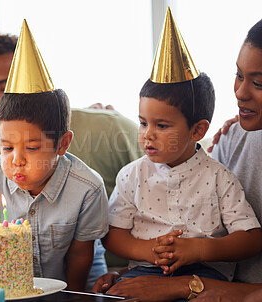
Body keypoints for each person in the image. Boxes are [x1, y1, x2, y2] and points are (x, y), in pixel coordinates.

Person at [94, 16, 262, 302]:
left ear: (198, 130)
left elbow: (250, 237)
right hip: (145, 270)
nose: (240, 93)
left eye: (258, 82)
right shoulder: (132, 175)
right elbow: (113, 234)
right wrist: (144, 255)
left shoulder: (219, 177)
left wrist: (198, 250)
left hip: (207, 276)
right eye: (238, 75)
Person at [0, 33, 143, 289]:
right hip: (13, 287)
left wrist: (74, 295)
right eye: (7, 147)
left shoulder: (87, 186)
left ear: (63, 144)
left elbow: (81, 255)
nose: (17, 160)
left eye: (32, 148)